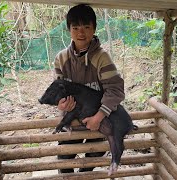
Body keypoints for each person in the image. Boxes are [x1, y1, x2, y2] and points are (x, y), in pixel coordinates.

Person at [53, 4, 125, 173]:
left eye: (86, 27)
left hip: (99, 121)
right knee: (64, 162)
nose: (81, 33)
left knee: (91, 161)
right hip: (72, 121)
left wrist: (98, 117)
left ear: (94, 29)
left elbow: (115, 90)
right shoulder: (61, 58)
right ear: (69, 30)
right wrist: (61, 103)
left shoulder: (101, 58)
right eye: (75, 27)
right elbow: (58, 89)